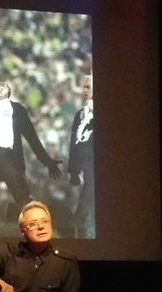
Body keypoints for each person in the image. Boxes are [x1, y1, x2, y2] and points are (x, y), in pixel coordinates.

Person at [0, 81, 63, 236]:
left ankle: (38, 233)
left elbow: (32, 137)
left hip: (10, 158)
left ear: (8, 91)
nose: (0, 86)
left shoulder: (17, 110)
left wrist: (47, 161)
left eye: (4, 85)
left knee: (23, 199)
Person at [68, 75, 96, 238]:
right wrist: (73, 170)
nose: (84, 91)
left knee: (88, 197)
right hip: (84, 165)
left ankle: (76, 224)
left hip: (96, 165)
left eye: (88, 87)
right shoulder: (79, 115)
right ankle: (81, 231)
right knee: (88, 197)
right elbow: (74, 142)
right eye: (83, 87)